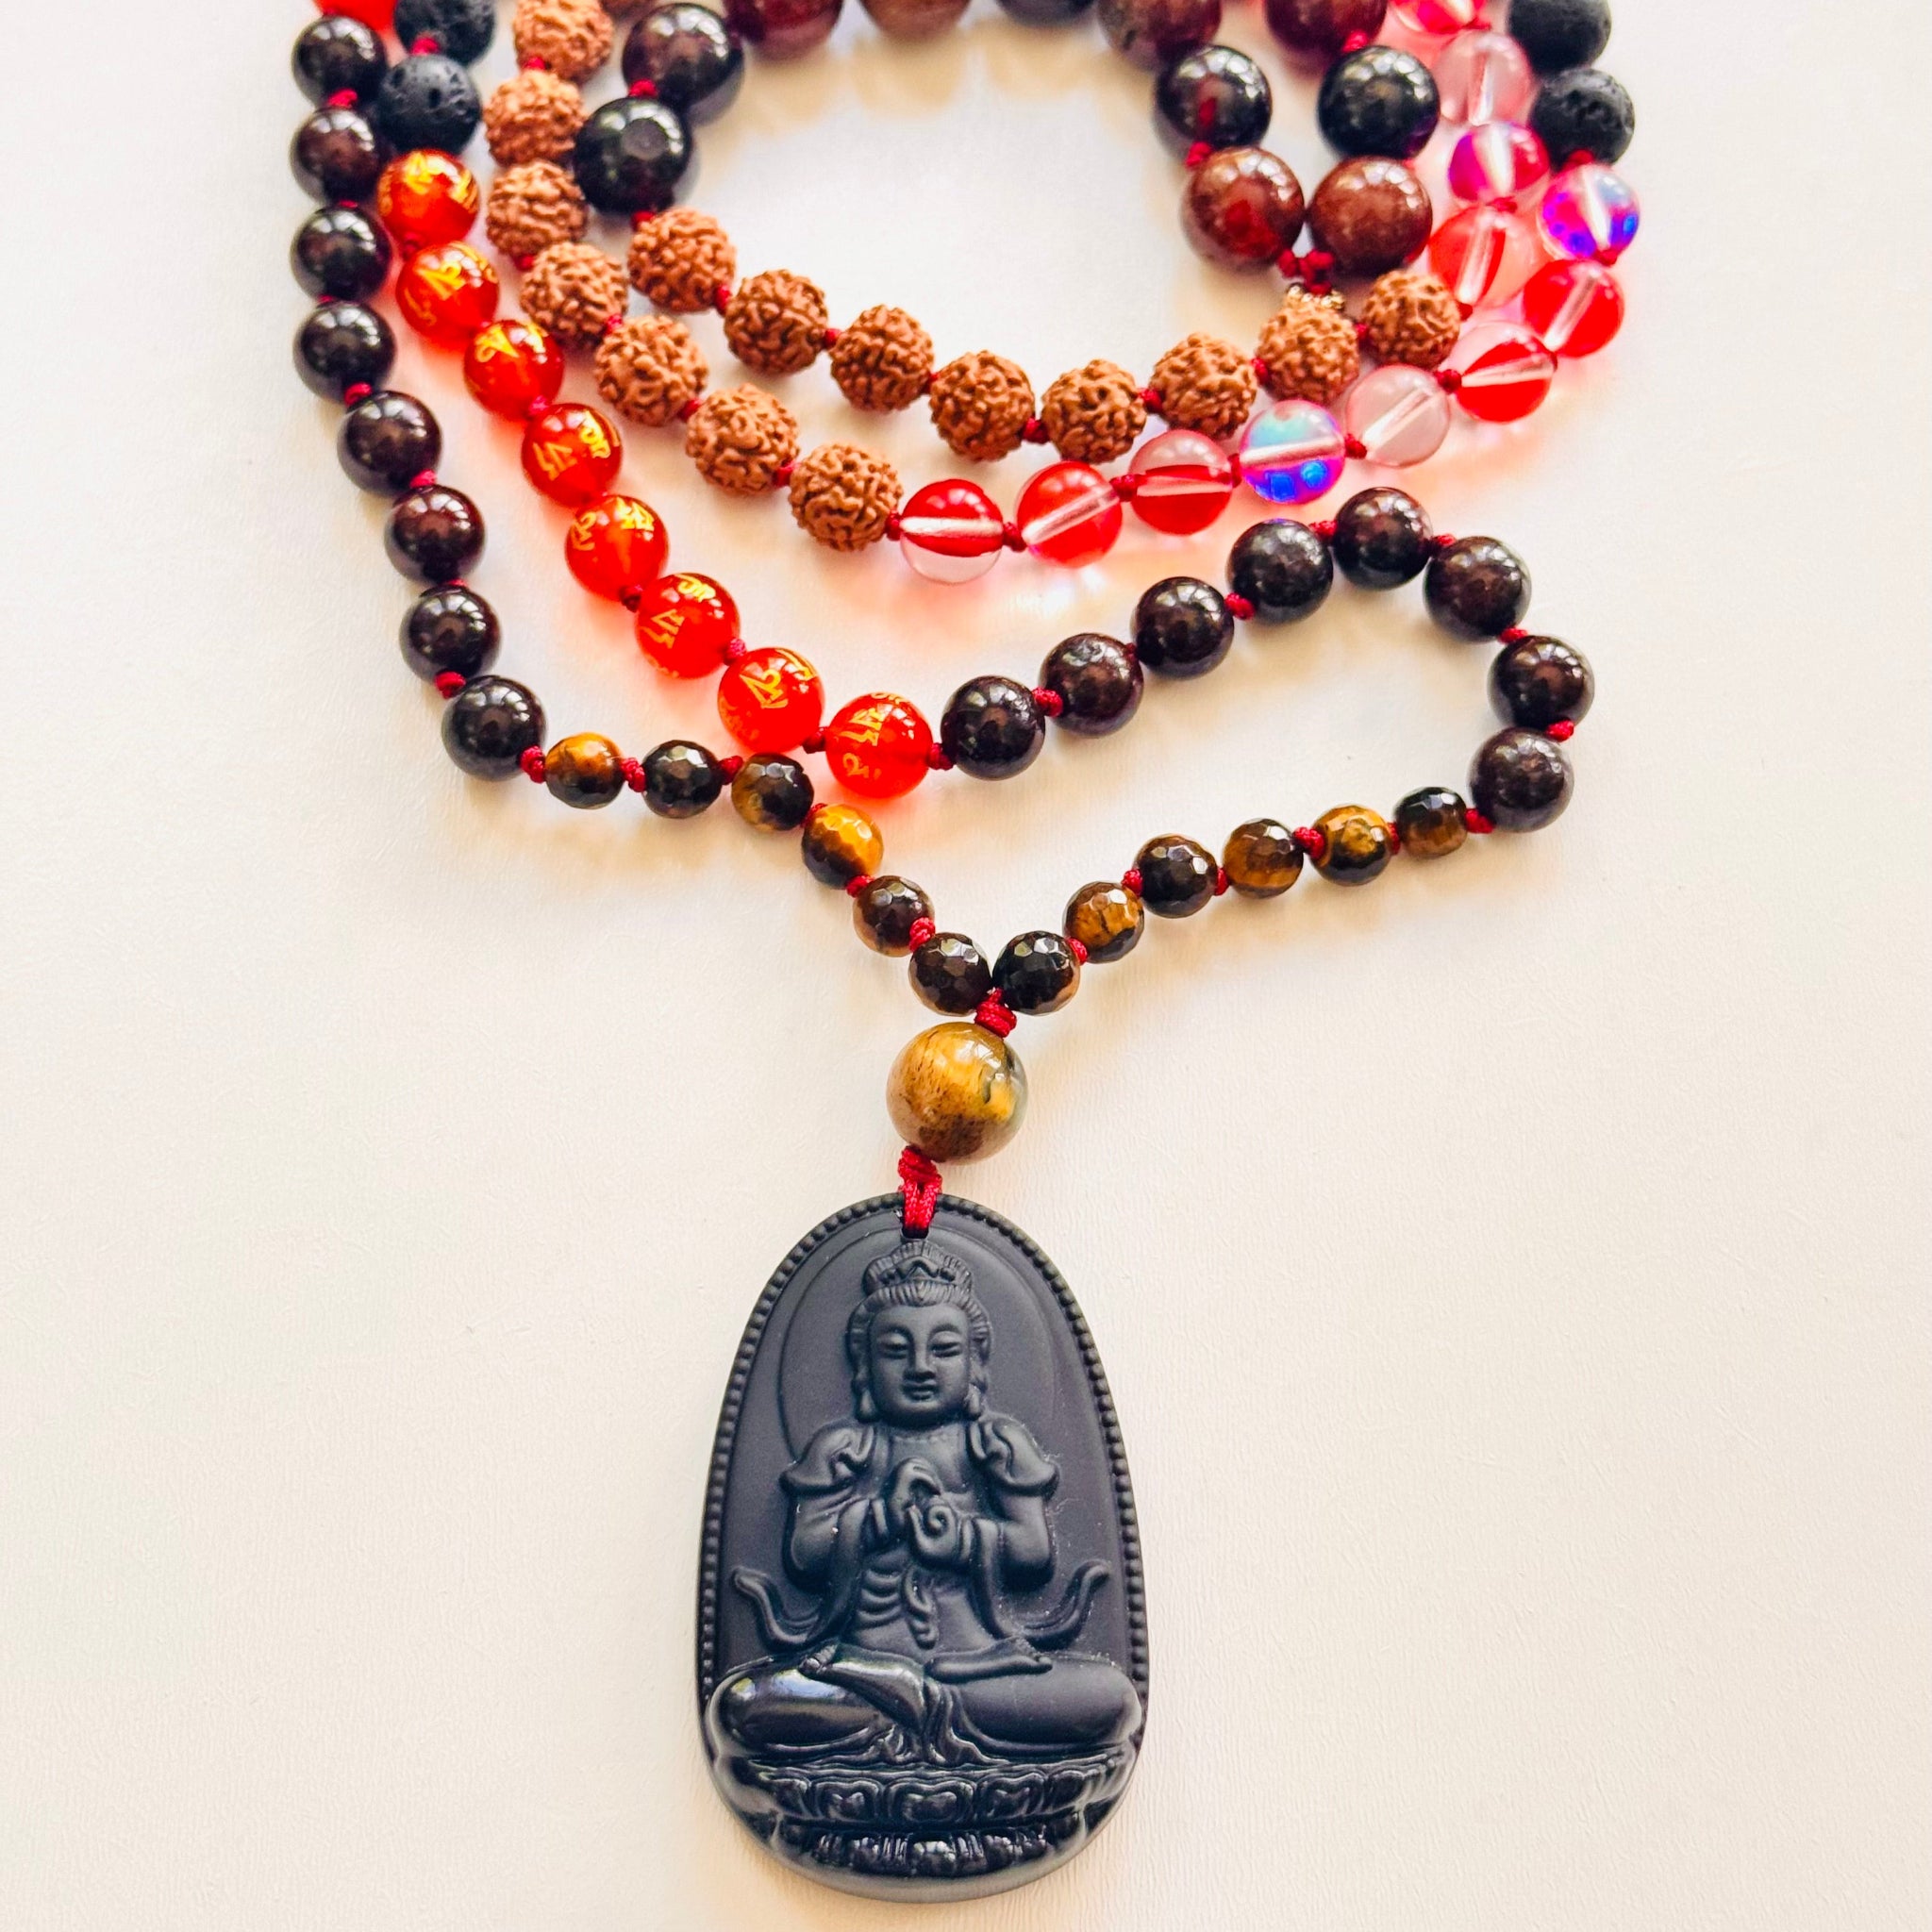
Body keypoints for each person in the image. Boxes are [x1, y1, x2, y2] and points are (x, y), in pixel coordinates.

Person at [709, 1242, 1141, 1766]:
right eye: (895, 1351)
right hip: (860, 1665)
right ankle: (915, 1708)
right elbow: (806, 1554)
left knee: (1110, 1701)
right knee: (742, 1706)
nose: (920, 1367)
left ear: (975, 1363)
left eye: (944, 1349)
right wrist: (879, 1520)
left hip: (980, 1664)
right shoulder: (844, 1448)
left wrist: (961, 1539)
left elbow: (1033, 1553)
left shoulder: (995, 1444)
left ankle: (916, 1711)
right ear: (864, 1366)